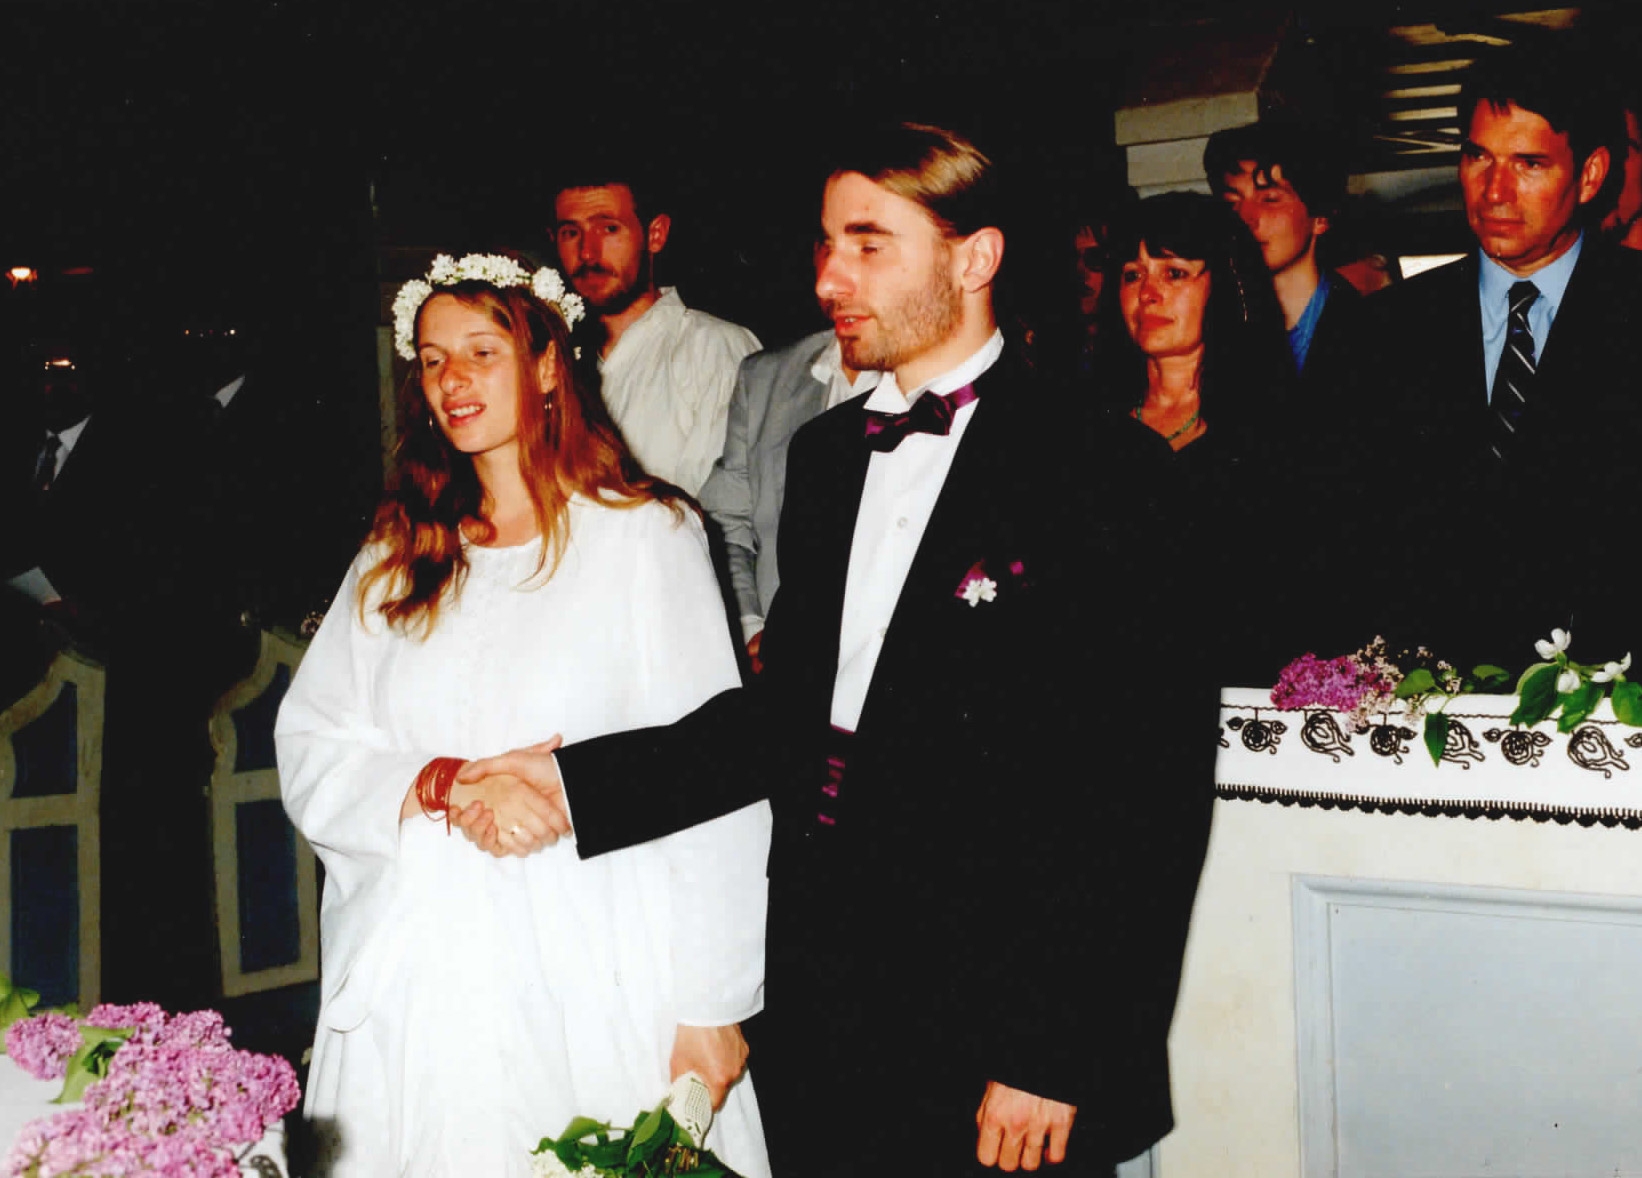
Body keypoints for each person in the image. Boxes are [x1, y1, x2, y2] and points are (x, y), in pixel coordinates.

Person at [459, 124, 1211, 1176]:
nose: (827, 280)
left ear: (975, 258)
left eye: (868, 244)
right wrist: (569, 777)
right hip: (826, 988)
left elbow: (1139, 794)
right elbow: (786, 718)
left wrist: (1054, 1045)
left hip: (1003, 1007)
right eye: (825, 243)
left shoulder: (1103, 467)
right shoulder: (822, 458)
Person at [274, 254, 772, 1178]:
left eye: (480, 352)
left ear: (546, 367)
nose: (451, 381)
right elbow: (313, 740)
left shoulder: (646, 535)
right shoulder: (398, 552)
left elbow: (716, 781)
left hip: (598, 959)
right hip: (426, 971)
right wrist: (444, 784)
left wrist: (713, 1003)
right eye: (431, 360)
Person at [1350, 34, 1642, 667]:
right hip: (1422, 704)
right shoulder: (1381, 332)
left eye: (1529, 164)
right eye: (1478, 157)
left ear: (1591, 175)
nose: (1495, 192)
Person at [1099, 191, 1300, 679]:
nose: (1148, 294)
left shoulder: (1282, 430)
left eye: (1174, 273)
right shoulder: (1083, 430)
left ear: (1227, 285)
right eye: (1132, 275)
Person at [552, 171, 759, 495]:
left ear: (655, 234)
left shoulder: (712, 347)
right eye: (570, 233)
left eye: (609, 228)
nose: (587, 252)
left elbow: (726, 506)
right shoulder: (553, 360)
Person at [696, 327, 878, 674]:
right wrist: (749, 623)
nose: (835, 296)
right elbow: (725, 521)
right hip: (778, 664)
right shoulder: (765, 375)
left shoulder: (934, 384)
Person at [1205, 120, 1361, 397]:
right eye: (1232, 203)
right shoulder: (1211, 332)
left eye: (1270, 199)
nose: (1246, 218)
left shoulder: (1367, 330)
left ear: (1320, 217)